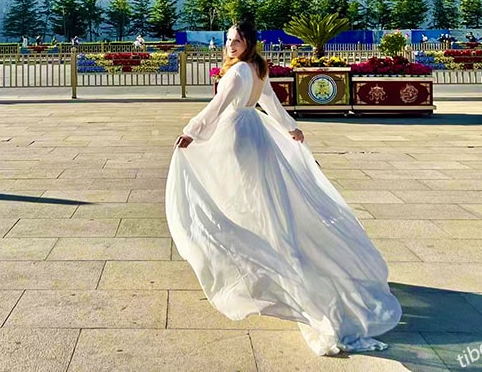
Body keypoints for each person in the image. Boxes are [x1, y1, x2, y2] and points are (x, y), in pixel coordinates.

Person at [167, 21, 401, 356]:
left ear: (249, 42)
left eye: (237, 40)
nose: (231, 45)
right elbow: (272, 105)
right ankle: (270, 259)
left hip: (235, 136)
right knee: (261, 201)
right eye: (229, 40)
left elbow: (216, 110)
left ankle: (264, 264)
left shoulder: (236, 74)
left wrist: (192, 131)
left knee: (236, 198)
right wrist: (290, 128)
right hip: (255, 134)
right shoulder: (258, 69)